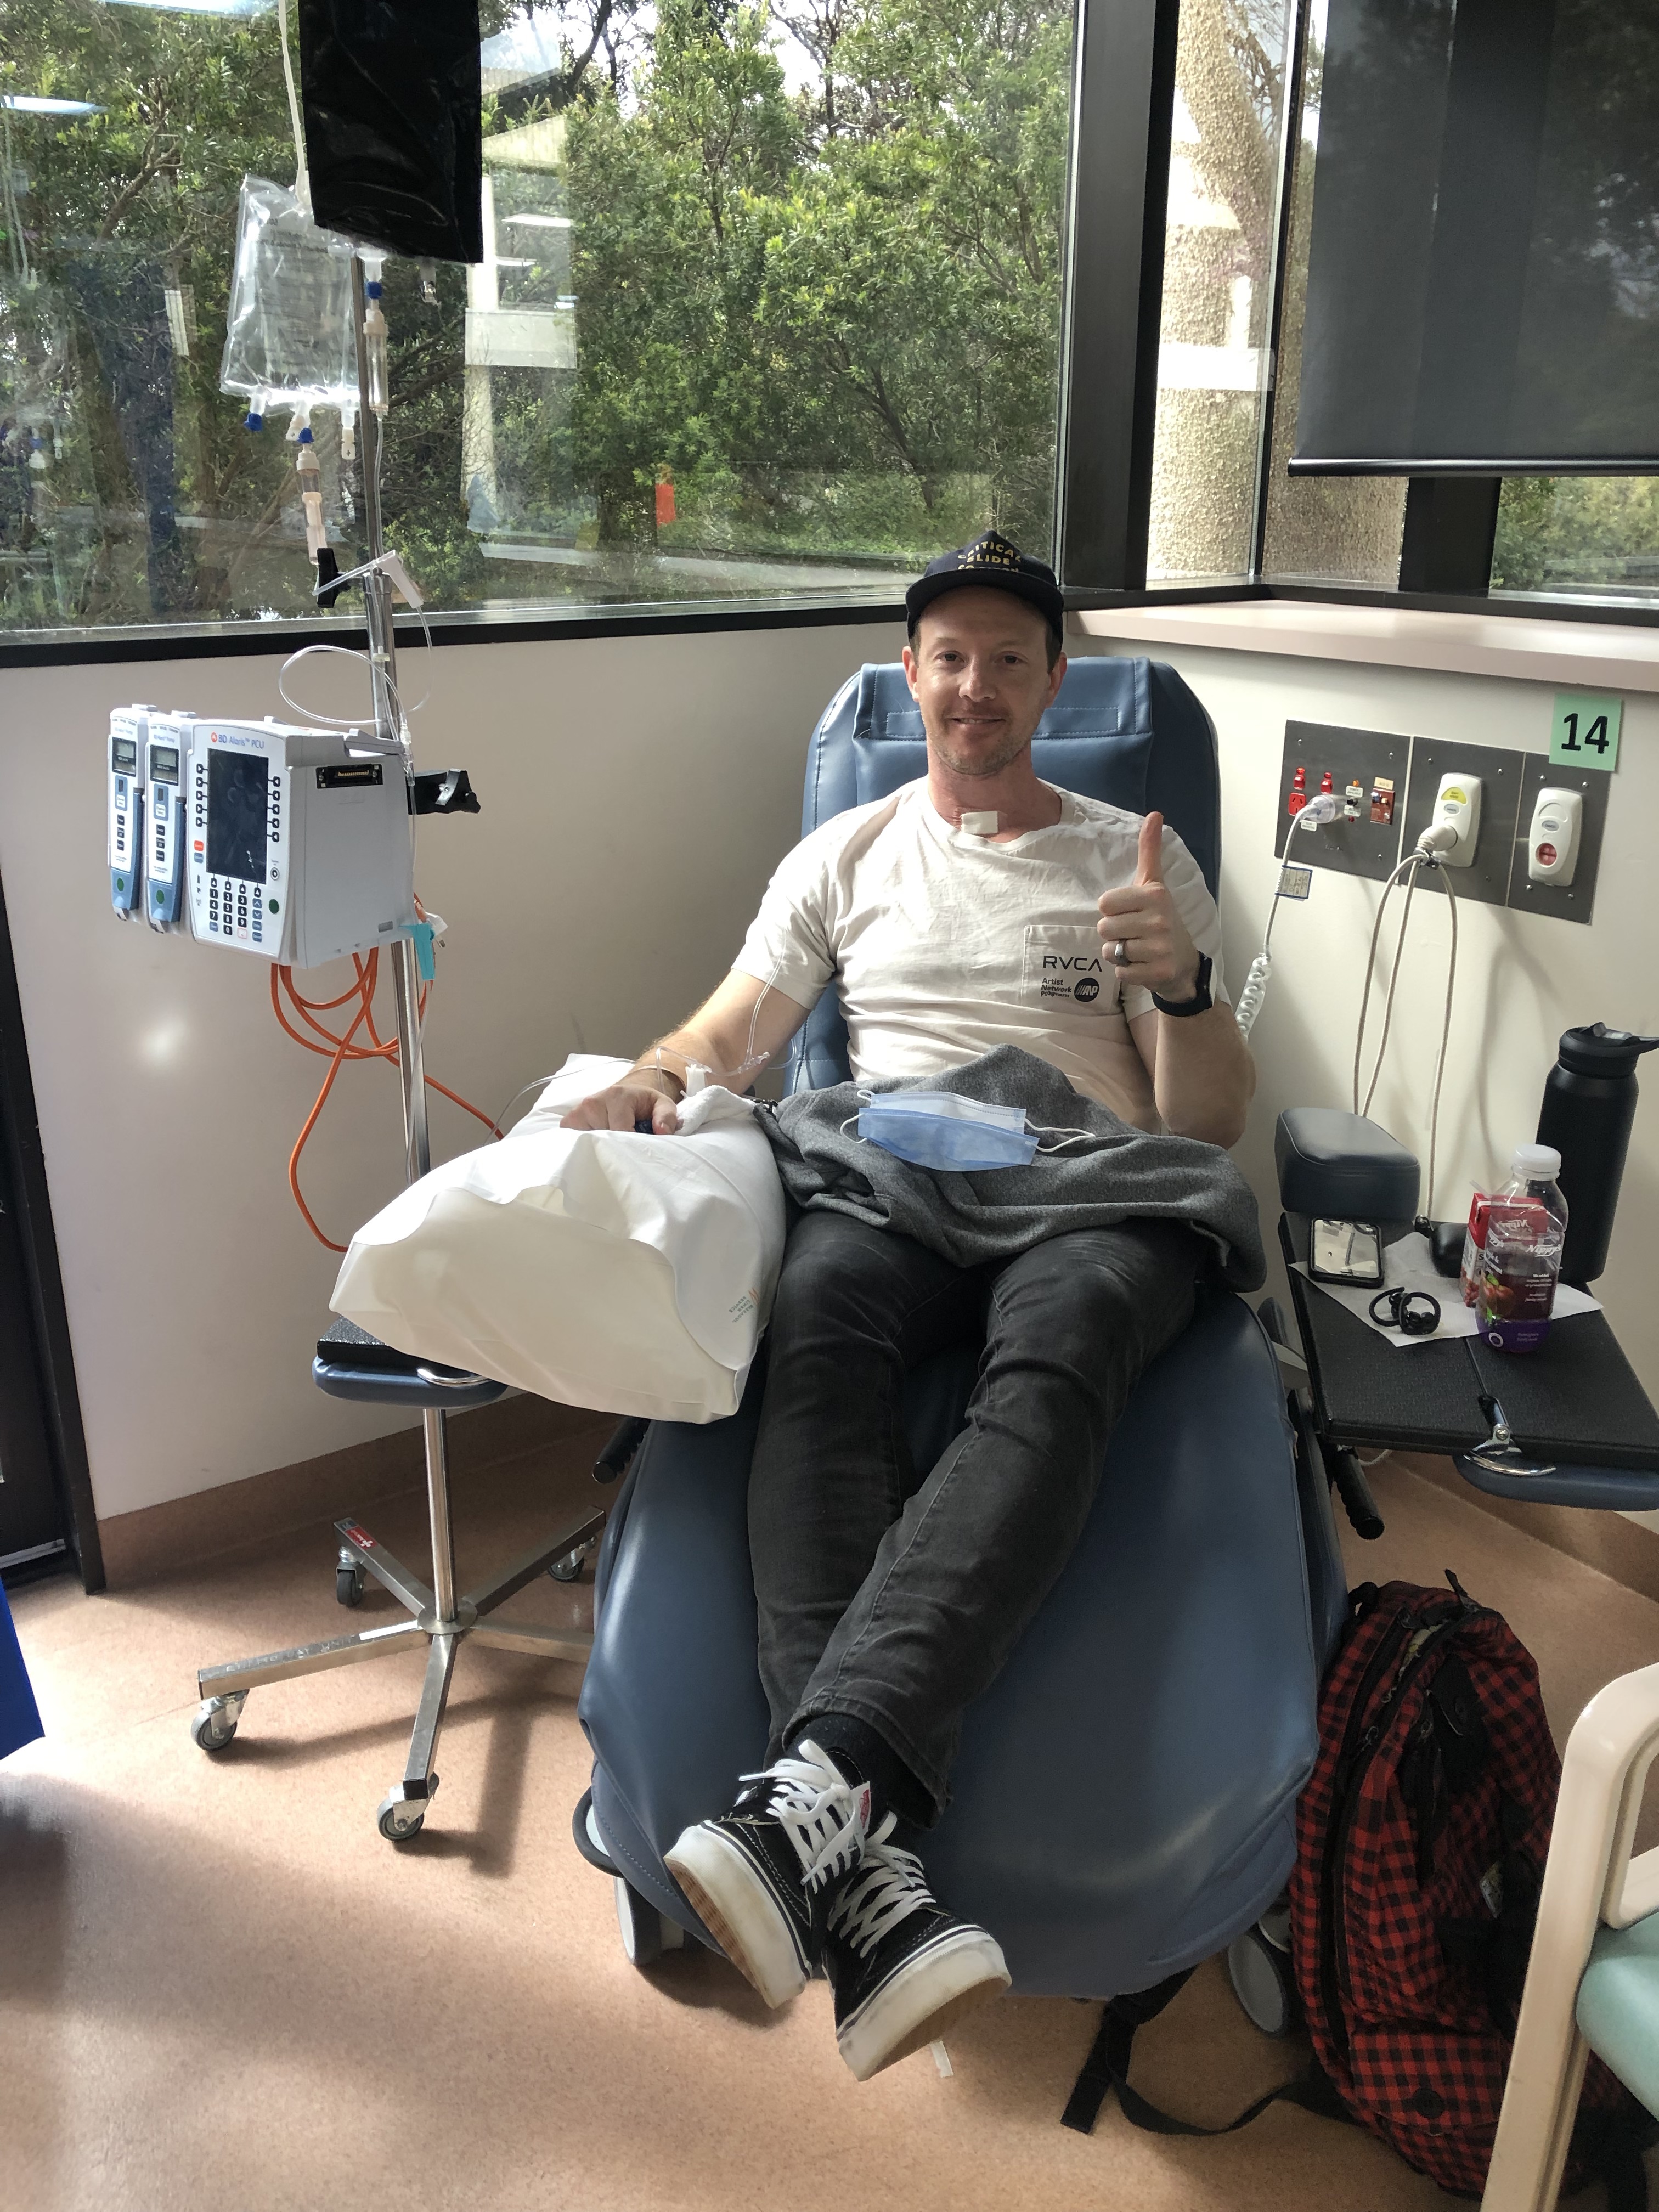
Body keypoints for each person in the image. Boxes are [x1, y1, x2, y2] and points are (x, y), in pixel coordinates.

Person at [565, 530, 1255, 2081]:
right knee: (814, 1329)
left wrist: (1187, 986)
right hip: (894, 1176)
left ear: (1056, 684)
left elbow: (1204, 1125)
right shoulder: (847, 854)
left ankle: (816, 1798)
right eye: (951, 658)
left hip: (1084, 1182)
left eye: (1011, 659)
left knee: (1070, 1342)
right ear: (911, 679)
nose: (977, 686)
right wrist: (645, 1080)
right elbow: (735, 1034)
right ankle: (863, 1863)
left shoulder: (1133, 867)